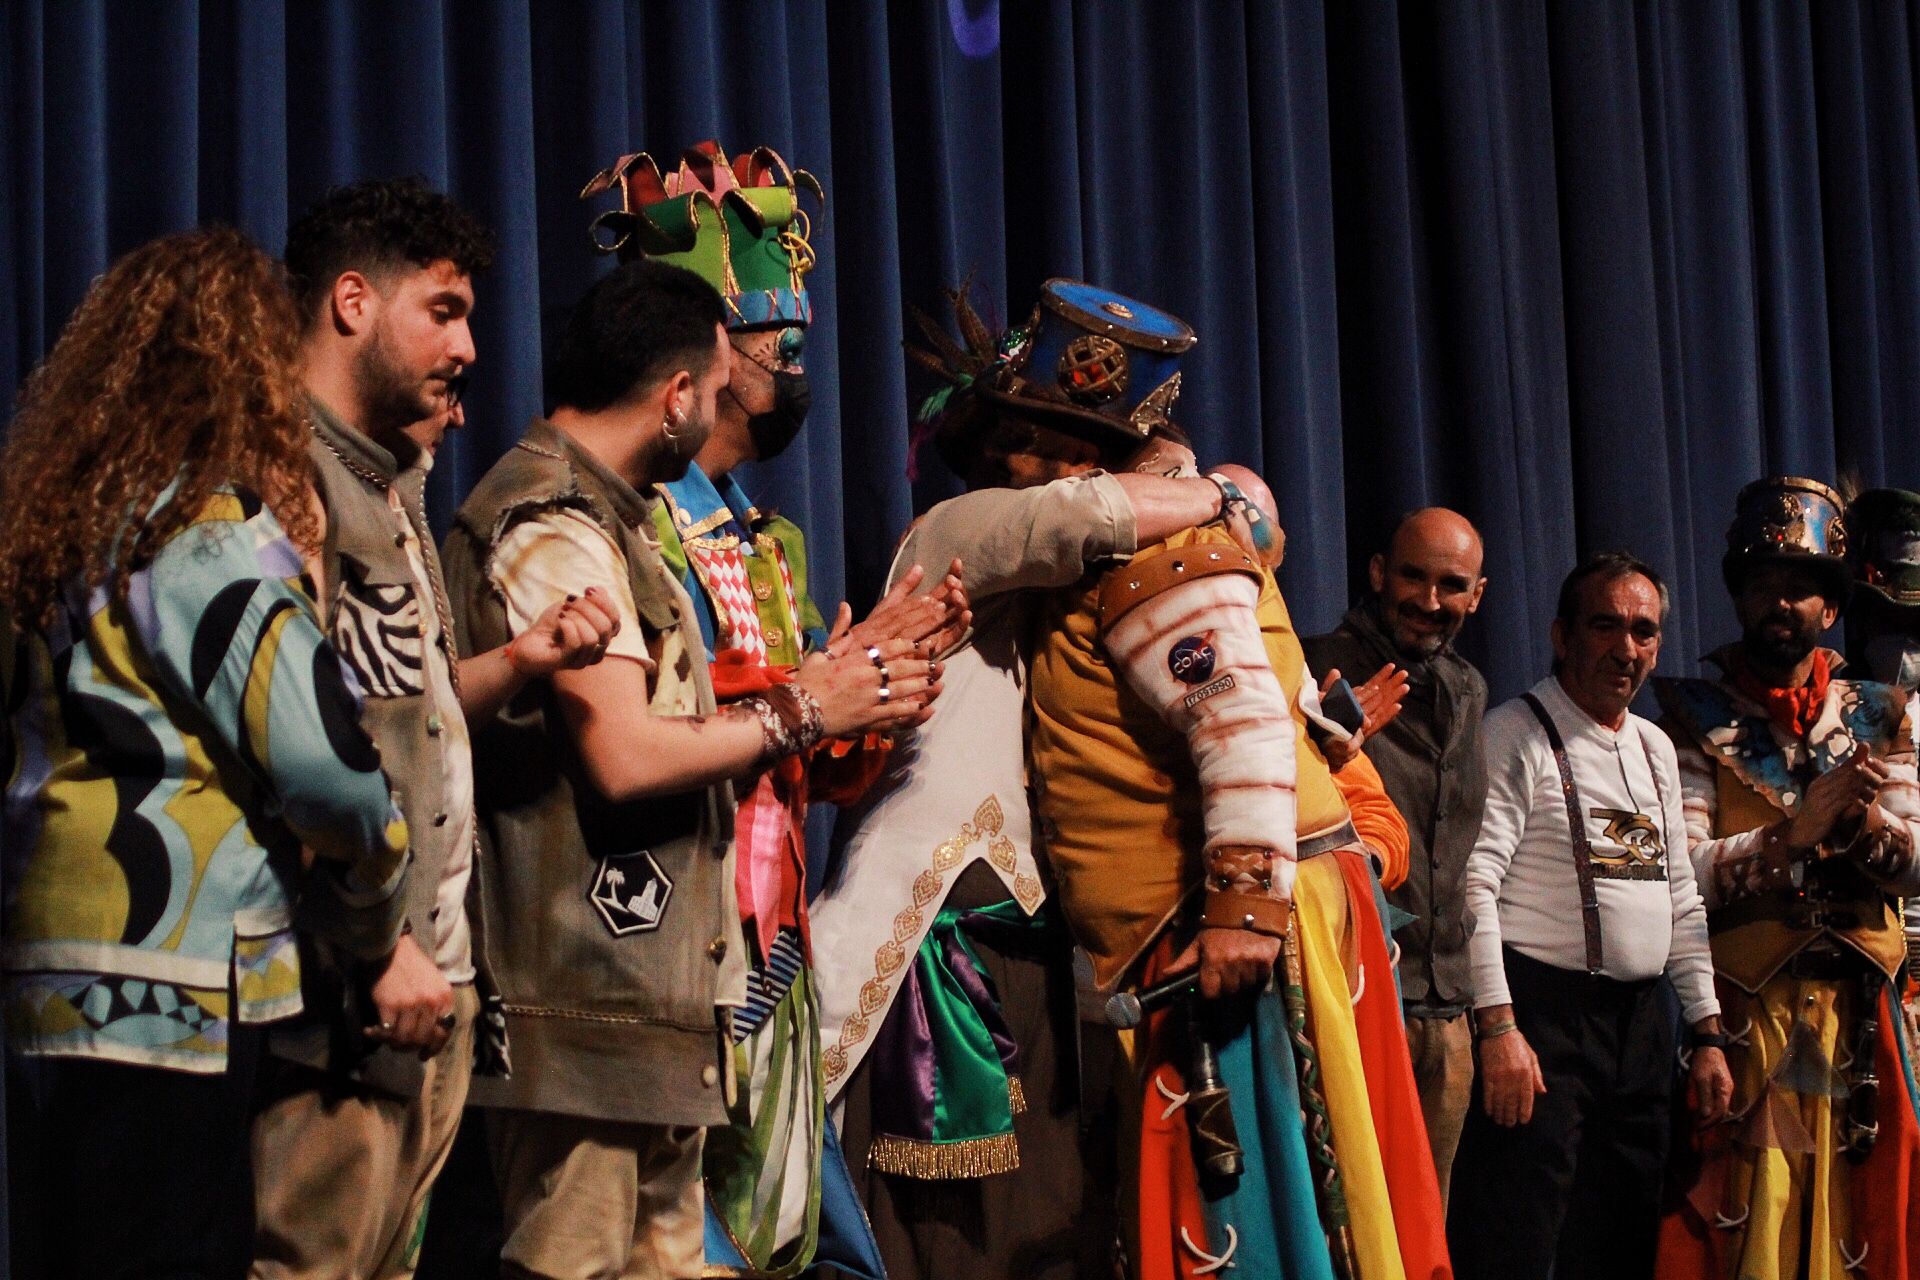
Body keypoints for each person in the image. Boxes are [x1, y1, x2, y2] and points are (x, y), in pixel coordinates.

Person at [440, 258, 947, 1280]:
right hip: (581, 996)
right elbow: (624, 756)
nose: (721, 415)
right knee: (569, 1263)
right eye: (714, 392)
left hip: (648, 993)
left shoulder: (614, 521)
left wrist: (837, 689)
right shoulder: (553, 522)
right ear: (676, 395)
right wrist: (809, 706)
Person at [809, 281, 1251, 1280]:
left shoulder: (1092, 592)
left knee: (1059, 1235)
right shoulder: (960, 531)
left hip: (1055, 958)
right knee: (940, 1241)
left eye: (1077, 445)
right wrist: (1214, 490)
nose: (1051, 464)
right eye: (1033, 438)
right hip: (933, 948)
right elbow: (1080, 515)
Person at [1015, 280, 1449, 1280]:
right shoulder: (1135, 540)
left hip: (1248, 934)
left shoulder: (1155, 544)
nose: (1017, 462)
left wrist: (1243, 910)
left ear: (1087, 446)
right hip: (1238, 922)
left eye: (1037, 436)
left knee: (1257, 1223)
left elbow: (1242, 722)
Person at [0, 227, 411, 1280]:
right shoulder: (207, 529)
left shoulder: (55, 528)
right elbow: (328, 768)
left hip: (49, 957)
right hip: (172, 975)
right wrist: (375, 896)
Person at [582, 141, 955, 1277]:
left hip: (773, 932)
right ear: (694, 361)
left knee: (798, 1231)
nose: (794, 366)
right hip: (676, 928)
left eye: (800, 344)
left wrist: (874, 699)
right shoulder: (630, 521)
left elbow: (812, 768)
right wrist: (812, 691)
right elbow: (654, 710)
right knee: (694, 1232)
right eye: (772, 344)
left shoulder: (772, 538)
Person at [249, 178, 621, 1280]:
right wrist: (380, 942)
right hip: (346, 976)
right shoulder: (284, 479)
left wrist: (519, 660)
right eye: (444, 310)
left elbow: (393, 706)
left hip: (429, 977)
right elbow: (289, 744)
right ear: (352, 301)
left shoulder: (387, 480)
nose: (468, 345)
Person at [1654, 478, 1920, 1280]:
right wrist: (1790, 837)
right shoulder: (1691, 717)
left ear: (1831, 608)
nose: (1782, 602)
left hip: (1863, 1015)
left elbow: (1915, 863)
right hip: (1748, 1014)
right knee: (1752, 1215)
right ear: (1740, 596)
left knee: (1862, 1215)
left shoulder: (1885, 713)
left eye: (1801, 587)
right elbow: (1684, 874)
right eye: (1765, 582)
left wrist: (1863, 825)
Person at [1449, 552, 1731, 1280]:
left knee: (1623, 1238)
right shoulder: (1514, 732)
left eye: (1643, 631)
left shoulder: (1656, 748)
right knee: (1521, 1236)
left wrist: (1706, 1033)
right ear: (1560, 635)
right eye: (1606, 626)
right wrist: (1499, 1029)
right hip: (1544, 1022)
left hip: (1640, 1030)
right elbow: (1473, 888)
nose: (1626, 648)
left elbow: (1677, 894)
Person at [1302, 508, 1489, 1204]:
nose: (1430, 601)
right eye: (1413, 576)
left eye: (1452, 585)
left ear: (1478, 594)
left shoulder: (1470, 689)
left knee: (1422, 1229)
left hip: (1446, 1011)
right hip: (1354, 997)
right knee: (1350, 1220)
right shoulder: (1310, 665)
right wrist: (1322, 737)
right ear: (1379, 572)